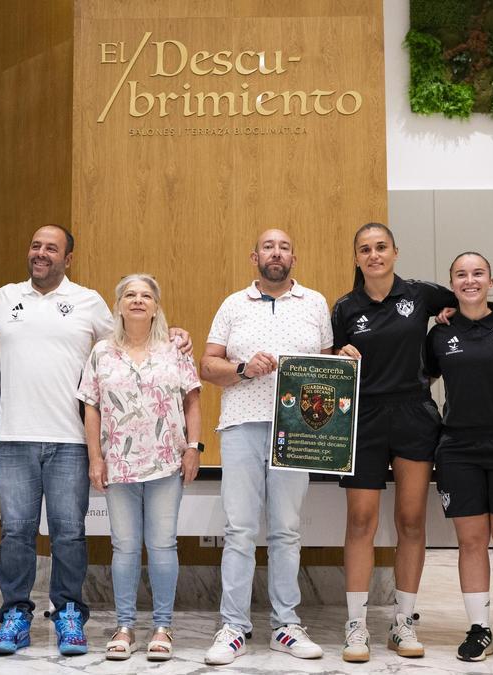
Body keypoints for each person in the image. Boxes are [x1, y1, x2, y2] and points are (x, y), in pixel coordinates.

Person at [0, 225, 191, 657]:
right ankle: (15, 617)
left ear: (68, 258)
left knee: (69, 534)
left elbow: (127, 336)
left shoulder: (89, 302)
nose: (41, 253)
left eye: (51, 248)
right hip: (14, 437)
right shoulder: (4, 298)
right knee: (16, 533)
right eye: (36, 245)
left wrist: (176, 334)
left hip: (70, 441)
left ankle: (69, 614)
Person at [330, 223, 493, 663]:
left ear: (395, 252)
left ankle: (404, 621)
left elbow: (472, 300)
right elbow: (331, 360)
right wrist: (334, 355)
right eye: (365, 249)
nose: (374, 255)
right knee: (360, 522)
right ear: (357, 257)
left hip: (415, 416)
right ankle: (356, 625)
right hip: (363, 419)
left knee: (411, 521)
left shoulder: (420, 294)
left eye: (381, 247)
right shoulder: (345, 307)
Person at [200, 228, 331, 666]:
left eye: (285, 246)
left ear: (294, 255)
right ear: (254, 255)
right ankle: (233, 627)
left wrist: (343, 364)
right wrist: (243, 367)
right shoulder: (233, 304)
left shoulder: (315, 303)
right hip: (241, 425)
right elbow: (207, 365)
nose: (277, 253)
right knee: (239, 530)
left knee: (286, 530)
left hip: (298, 430)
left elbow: (326, 370)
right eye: (269, 247)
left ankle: (285, 626)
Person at [77, 274, 202, 662]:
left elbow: (192, 401)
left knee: (163, 545)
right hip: (119, 466)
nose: (137, 300)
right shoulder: (101, 352)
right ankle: (125, 626)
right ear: (119, 305)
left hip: (166, 461)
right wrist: (95, 456)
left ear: (156, 306)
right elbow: (91, 406)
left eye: (145, 295)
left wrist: (194, 447)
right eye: (129, 295)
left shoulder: (175, 349)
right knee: (125, 547)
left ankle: (163, 627)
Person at [424, 252, 493, 667]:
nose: (470, 280)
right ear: (452, 283)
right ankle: (478, 628)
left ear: (491, 280)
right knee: (470, 543)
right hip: (457, 448)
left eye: (477, 273)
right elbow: (418, 381)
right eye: (461, 275)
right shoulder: (439, 334)